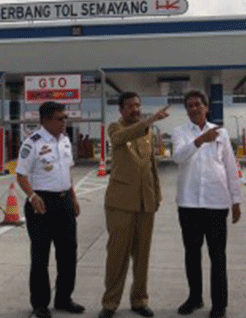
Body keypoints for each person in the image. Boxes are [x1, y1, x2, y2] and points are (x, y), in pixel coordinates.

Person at [171, 90, 242, 318]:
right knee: (192, 254)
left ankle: (219, 304)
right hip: (189, 204)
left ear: (206, 108)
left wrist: (236, 200)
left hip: (216, 203)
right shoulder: (180, 132)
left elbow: (230, 167)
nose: (193, 109)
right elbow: (178, 157)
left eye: (197, 105)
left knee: (217, 255)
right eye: (189, 106)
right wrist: (200, 140)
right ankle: (195, 298)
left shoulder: (221, 133)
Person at [98, 92, 170, 318]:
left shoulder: (146, 134)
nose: (135, 109)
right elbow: (119, 139)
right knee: (117, 255)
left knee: (142, 256)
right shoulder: (115, 128)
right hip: (120, 203)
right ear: (121, 110)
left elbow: (151, 167)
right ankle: (110, 303)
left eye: (137, 105)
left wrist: (156, 194)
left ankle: (139, 300)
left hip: (145, 203)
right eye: (130, 106)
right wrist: (149, 121)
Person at [16, 101, 84, 318]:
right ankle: (40, 304)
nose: (64, 122)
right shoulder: (32, 143)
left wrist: (73, 197)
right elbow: (21, 175)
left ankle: (64, 298)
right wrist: (32, 195)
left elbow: (67, 172)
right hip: (41, 204)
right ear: (45, 120)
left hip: (64, 202)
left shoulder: (64, 141)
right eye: (60, 118)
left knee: (68, 253)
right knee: (40, 256)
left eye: (65, 118)